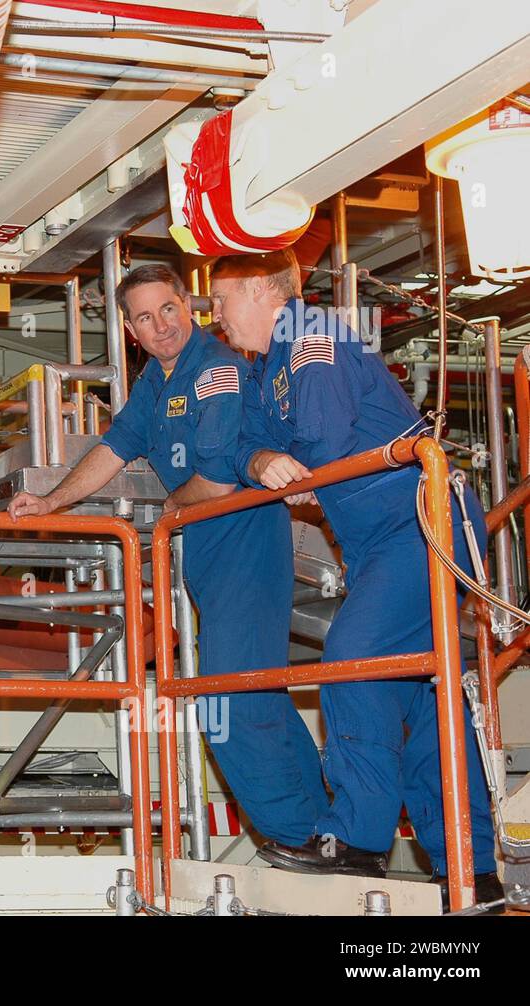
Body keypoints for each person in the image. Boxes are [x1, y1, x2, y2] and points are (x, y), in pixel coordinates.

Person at [8, 264, 329, 849]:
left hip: (244, 539)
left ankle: (298, 839)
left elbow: (217, 483)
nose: (161, 326)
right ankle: (327, 831)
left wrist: (164, 517)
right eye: (145, 318)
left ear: (189, 306)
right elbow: (114, 446)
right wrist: (52, 503)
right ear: (131, 330)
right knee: (259, 692)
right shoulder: (156, 383)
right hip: (210, 552)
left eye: (168, 310)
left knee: (227, 700)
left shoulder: (217, 370)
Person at [211, 249, 498, 894]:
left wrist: (296, 468)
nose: (218, 317)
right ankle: (472, 871)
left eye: (222, 300)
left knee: (353, 657)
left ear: (260, 288)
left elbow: (323, 433)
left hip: (420, 526)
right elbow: (244, 443)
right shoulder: (267, 368)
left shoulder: (313, 336)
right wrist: (262, 461)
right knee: (424, 698)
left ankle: (359, 838)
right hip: (379, 543)